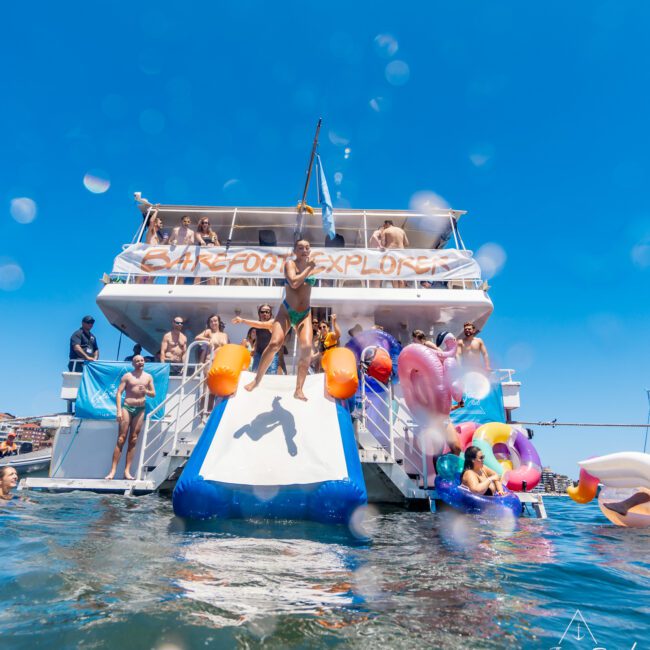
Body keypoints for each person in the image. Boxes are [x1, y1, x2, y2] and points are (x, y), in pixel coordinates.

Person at [244, 239, 316, 401]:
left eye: (307, 247)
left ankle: (298, 389)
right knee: (275, 343)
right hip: (287, 312)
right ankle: (257, 380)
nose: (304, 250)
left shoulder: (312, 267)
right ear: (295, 251)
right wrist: (310, 269)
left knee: (306, 346)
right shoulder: (290, 264)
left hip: (304, 313)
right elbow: (294, 283)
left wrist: (311, 269)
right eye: (300, 248)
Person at [105, 355, 156, 480]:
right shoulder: (128, 376)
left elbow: (153, 394)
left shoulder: (148, 377)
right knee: (121, 438)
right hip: (127, 407)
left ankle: (127, 471)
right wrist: (118, 411)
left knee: (133, 439)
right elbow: (119, 393)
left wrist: (146, 391)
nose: (140, 362)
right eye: (137, 361)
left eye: (142, 360)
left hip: (140, 409)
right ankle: (112, 471)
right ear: (133, 364)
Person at [412, 329, 462, 453]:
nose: (414, 343)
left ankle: (453, 469)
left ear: (420, 339)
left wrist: (429, 352)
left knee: (456, 448)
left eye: (415, 340)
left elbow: (442, 354)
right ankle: (439, 472)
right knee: (437, 450)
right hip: (433, 415)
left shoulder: (427, 345)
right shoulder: (416, 356)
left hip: (444, 415)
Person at [232, 304, 280, 375]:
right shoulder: (257, 324)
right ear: (259, 313)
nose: (265, 313)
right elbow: (259, 338)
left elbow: (261, 325)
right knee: (254, 376)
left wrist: (242, 320)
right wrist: (254, 348)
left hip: (271, 355)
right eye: (262, 312)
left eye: (267, 312)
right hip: (258, 354)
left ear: (270, 314)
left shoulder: (272, 322)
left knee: (270, 378)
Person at [195, 218, 220, 285]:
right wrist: (208, 245)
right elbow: (202, 242)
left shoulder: (213, 233)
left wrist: (214, 239)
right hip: (201, 256)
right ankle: (195, 291)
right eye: (202, 223)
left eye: (206, 223)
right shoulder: (198, 233)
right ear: (200, 224)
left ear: (208, 224)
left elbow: (218, 245)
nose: (204, 224)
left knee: (211, 276)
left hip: (211, 257)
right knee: (198, 275)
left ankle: (212, 292)